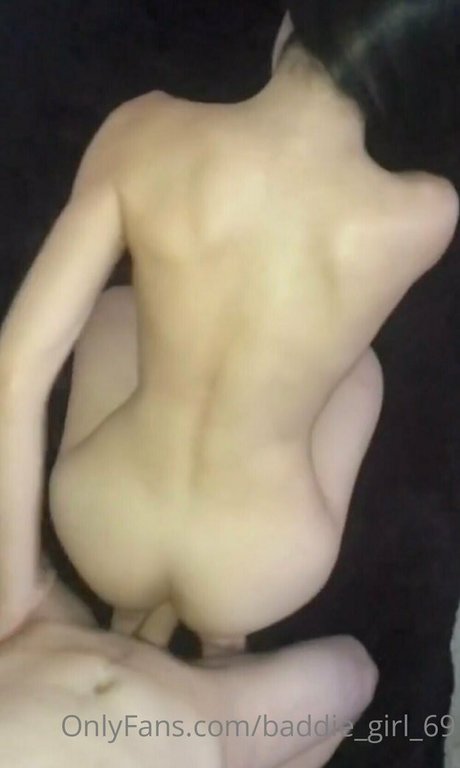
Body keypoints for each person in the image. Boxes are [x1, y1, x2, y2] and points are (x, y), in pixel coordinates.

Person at [0, 4, 457, 654]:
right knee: (361, 373)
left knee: (114, 311)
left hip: (105, 525)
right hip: (263, 570)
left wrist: (18, 592)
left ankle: (132, 616)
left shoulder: (143, 130)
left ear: (292, 20)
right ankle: (221, 642)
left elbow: (15, 371)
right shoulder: (427, 214)